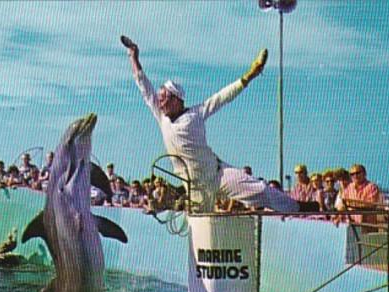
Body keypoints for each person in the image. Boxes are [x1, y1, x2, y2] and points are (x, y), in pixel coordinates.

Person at [124, 37, 303, 213]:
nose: (160, 102)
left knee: (261, 190)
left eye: (163, 98)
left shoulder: (196, 113)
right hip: (195, 189)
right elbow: (143, 85)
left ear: (176, 99)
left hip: (218, 174)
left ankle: (300, 208)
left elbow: (222, 97)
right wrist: (134, 57)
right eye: (159, 99)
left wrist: (250, 74)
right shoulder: (161, 116)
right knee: (199, 226)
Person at [335, 164, 381, 231]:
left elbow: (370, 204)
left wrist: (350, 205)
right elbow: (343, 205)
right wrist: (338, 217)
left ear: (364, 173)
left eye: (358, 173)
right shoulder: (349, 188)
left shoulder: (372, 187)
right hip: (351, 225)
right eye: (352, 174)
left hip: (367, 226)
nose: (355, 176)